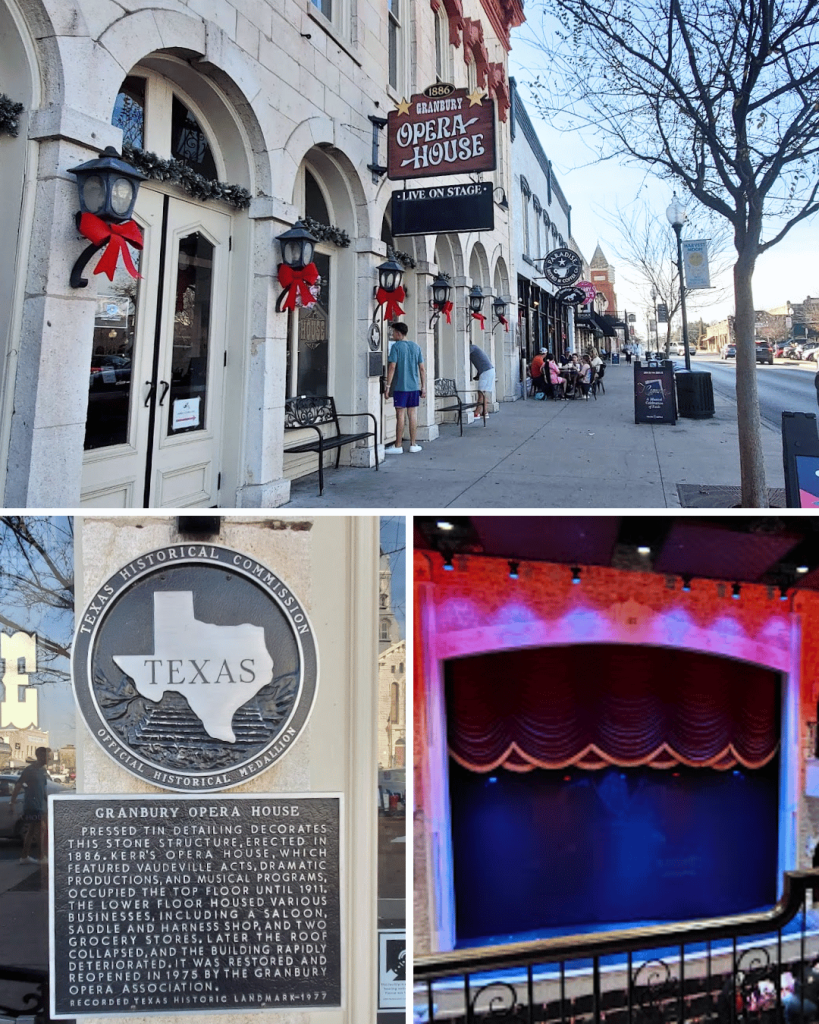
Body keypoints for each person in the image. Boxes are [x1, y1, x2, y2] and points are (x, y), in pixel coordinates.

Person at [385, 322, 425, 454]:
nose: (392, 334)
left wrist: (388, 386)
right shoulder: (416, 347)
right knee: (412, 414)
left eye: (393, 332)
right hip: (413, 386)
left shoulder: (396, 347)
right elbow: (422, 368)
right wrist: (423, 386)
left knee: (400, 415)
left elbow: (392, 366)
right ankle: (413, 444)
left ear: (398, 333)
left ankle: (398, 445)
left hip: (400, 386)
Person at [10, 746, 50, 865]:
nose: (48, 758)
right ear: (39, 756)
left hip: (40, 805)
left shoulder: (43, 771)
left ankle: (24, 856)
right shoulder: (29, 770)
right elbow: (18, 785)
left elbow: (42, 789)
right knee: (40, 830)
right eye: (46, 756)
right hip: (32, 806)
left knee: (32, 831)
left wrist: (48, 802)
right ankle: (41, 857)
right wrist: (12, 802)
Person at [470, 344, 495, 419]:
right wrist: (478, 375)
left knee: (481, 393)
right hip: (489, 371)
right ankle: (485, 412)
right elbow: (481, 362)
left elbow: (464, 354)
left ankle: (477, 413)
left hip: (485, 372)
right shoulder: (476, 349)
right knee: (484, 393)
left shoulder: (472, 348)